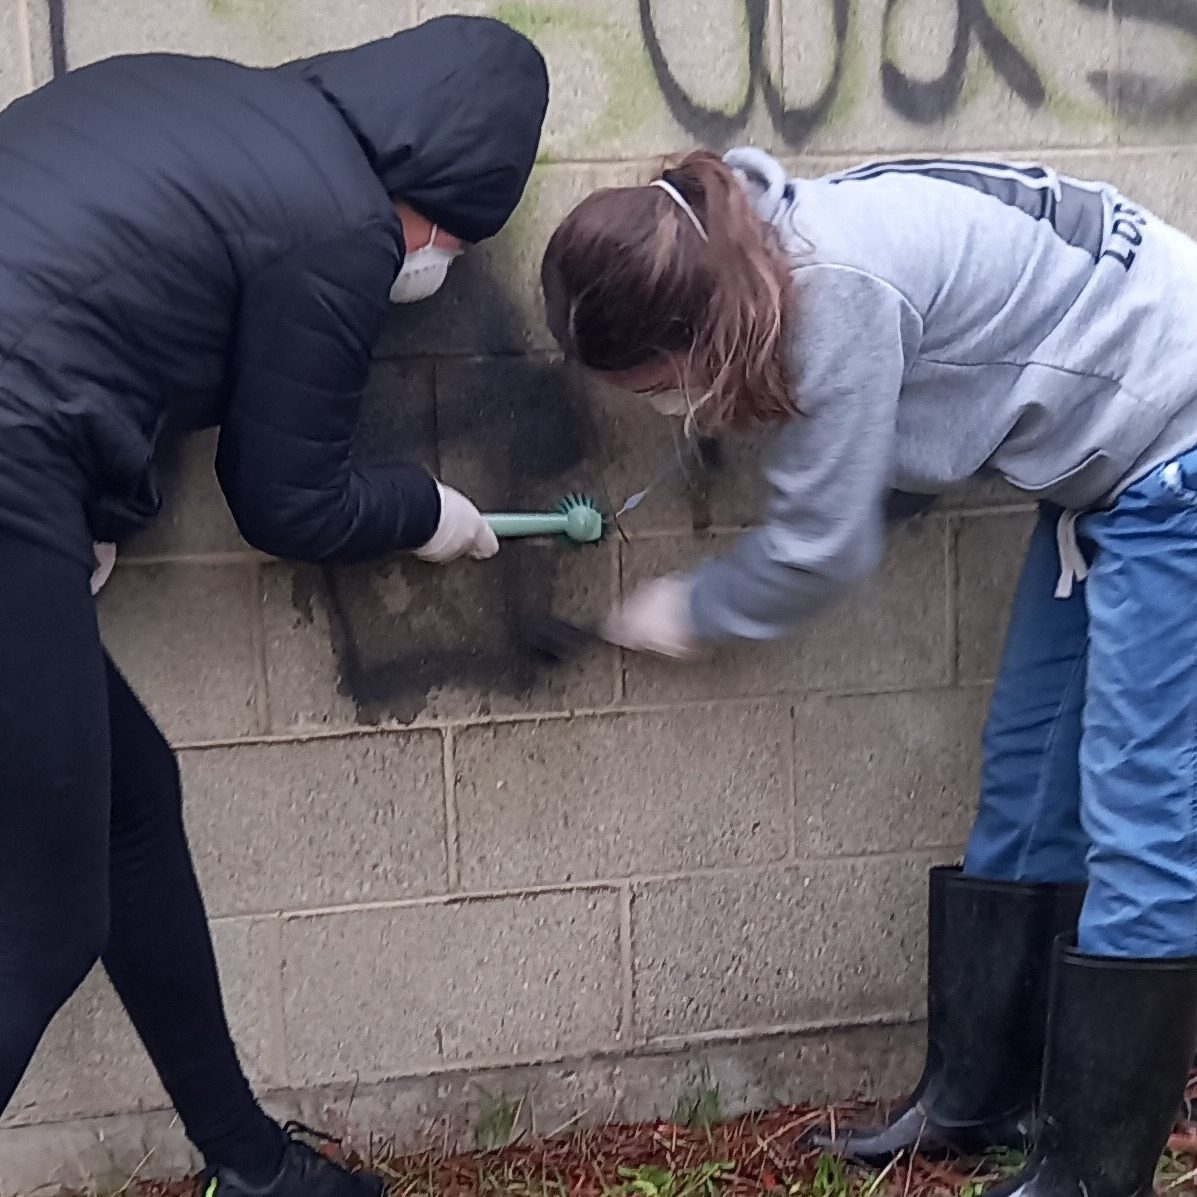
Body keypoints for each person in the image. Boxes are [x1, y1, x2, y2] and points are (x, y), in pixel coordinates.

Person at [541, 149, 1197, 1197]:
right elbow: (879, 466)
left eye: (654, 387)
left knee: (1144, 809)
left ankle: (1091, 1172)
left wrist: (690, 610)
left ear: (692, 334)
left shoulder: (830, 291)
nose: (668, 409)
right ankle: (979, 1097)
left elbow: (822, 546)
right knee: (1030, 767)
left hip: (1175, 447)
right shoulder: (755, 248)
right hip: (1108, 470)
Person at [0, 16, 546, 1197]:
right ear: (440, 194)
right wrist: (431, 512)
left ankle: (248, 1163)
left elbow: (96, 293)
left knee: (129, 802)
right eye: (453, 236)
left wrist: (92, 511)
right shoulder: (340, 223)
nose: (439, 259)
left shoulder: (222, 112)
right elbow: (289, 500)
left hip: (23, 453)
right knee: (42, 923)